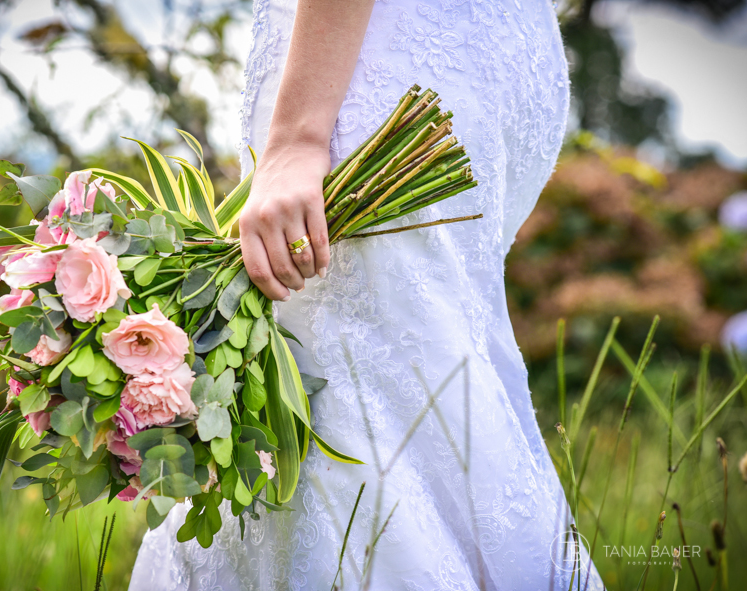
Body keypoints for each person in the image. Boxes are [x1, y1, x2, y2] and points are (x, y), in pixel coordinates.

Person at [130, 0, 604, 589]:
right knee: (423, 380)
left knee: (335, 380)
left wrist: (298, 139)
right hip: (505, 47)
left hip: (372, 55)